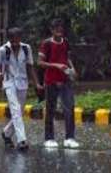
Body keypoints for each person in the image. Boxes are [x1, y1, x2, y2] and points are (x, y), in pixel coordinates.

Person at [0, 27, 42, 151]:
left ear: (20, 38)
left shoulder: (26, 48)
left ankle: (6, 133)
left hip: (23, 83)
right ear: (9, 39)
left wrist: (37, 84)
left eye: (18, 38)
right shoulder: (3, 50)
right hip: (9, 82)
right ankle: (22, 140)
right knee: (15, 110)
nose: (15, 41)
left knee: (18, 112)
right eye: (13, 39)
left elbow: (30, 67)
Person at [38, 18, 79, 148]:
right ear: (52, 30)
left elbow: (67, 58)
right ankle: (49, 138)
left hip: (65, 79)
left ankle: (70, 137)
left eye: (61, 28)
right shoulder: (46, 44)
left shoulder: (65, 42)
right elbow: (40, 62)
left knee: (69, 108)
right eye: (56, 29)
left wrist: (73, 69)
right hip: (51, 80)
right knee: (51, 109)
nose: (59, 31)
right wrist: (56, 65)